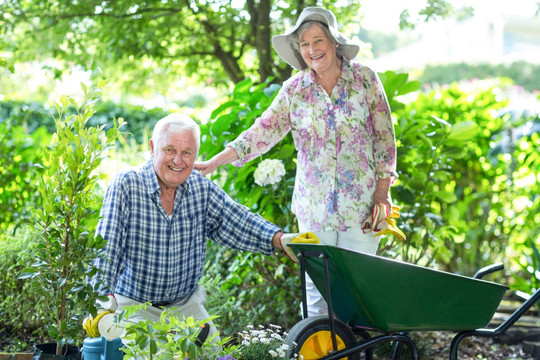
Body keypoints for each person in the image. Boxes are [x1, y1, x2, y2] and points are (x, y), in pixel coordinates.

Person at [195, 7, 398, 317]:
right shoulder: (294, 90)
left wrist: (381, 197)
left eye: (318, 40)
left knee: (358, 294)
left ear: (333, 42)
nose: (312, 50)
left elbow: (385, 139)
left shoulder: (365, 79)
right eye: (304, 44)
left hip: (362, 206)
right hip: (314, 209)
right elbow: (261, 132)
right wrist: (215, 162)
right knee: (317, 298)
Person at [90, 113, 295, 341]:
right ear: (152, 147)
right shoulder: (126, 185)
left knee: (216, 356)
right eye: (170, 150)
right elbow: (106, 248)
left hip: (186, 307)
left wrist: (280, 238)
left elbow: (238, 219)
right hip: (134, 307)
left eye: (186, 153)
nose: (178, 161)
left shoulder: (201, 188)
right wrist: (101, 303)